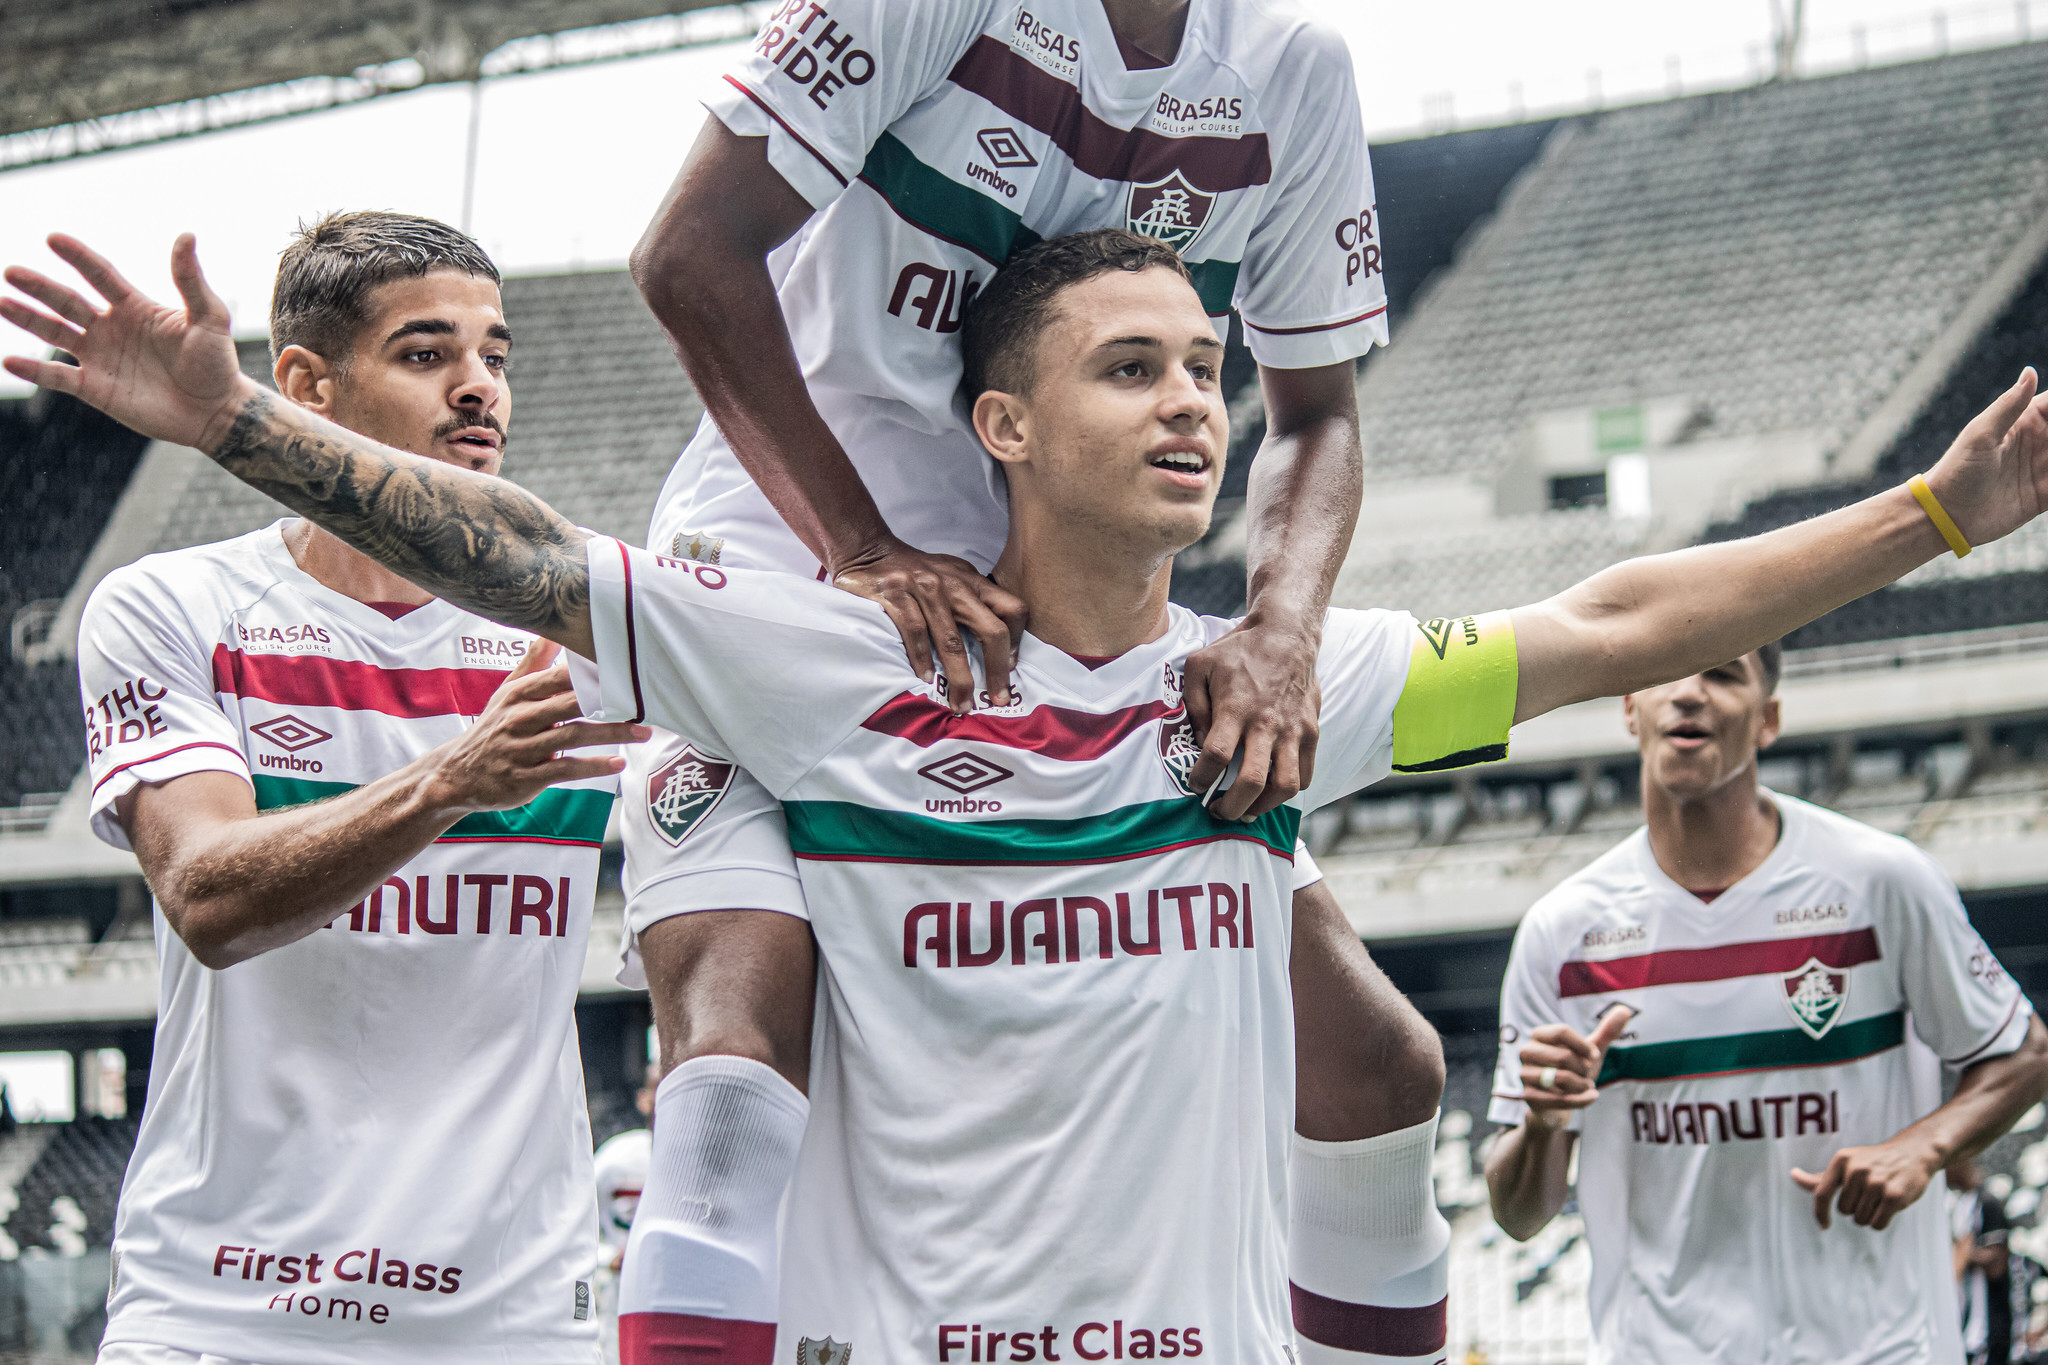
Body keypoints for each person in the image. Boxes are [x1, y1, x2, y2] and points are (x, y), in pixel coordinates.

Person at [11, 226, 2048, 1364]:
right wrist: (241, 424)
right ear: (998, 423)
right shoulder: (817, 667)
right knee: (729, 1026)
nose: (1191, 401)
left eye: (1204, 367)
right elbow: (520, 566)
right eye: (1131, 368)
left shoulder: (1274, 694)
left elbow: (1613, 614)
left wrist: (1933, 515)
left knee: (1376, 1042)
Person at [621, 1, 1428, 1355]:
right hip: (790, 573)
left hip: (1053, 626)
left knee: (1380, 1061)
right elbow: (687, 255)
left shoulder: (1295, 71)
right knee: (737, 1067)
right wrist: (861, 541)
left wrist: (1284, 629)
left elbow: (1317, 410)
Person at [40, 213, 647, 1365]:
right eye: (427, 354)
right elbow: (211, 901)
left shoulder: (589, 621)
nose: (480, 389)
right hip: (225, 1314)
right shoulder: (174, 607)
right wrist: (452, 784)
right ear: (305, 387)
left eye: (496, 357)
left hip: (515, 1319)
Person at [1482, 646, 2048, 1364]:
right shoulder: (1562, 932)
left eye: (1722, 673)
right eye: (1670, 671)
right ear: (1630, 706)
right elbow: (1519, 1213)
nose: (1689, 692)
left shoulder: (1880, 880)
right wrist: (1542, 1121)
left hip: (1875, 1349)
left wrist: (1922, 1147)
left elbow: (2026, 1050)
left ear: (1768, 719)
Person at [594, 1066, 660, 1364]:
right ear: (643, 1098)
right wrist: (610, 1257)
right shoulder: (615, 1160)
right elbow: (574, 1231)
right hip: (619, 1301)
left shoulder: (705, 1161)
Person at [1954, 1156, 2016, 1365]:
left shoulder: (1987, 1204)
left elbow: (1996, 1265)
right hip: (1966, 1329)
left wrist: (1962, 1253)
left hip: (1987, 1330)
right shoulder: (1960, 1204)